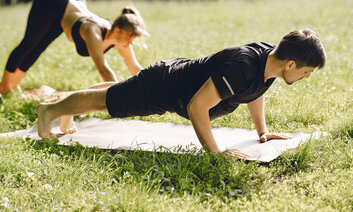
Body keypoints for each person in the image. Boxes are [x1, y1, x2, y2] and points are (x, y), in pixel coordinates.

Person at [37, 29, 326, 159]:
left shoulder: (269, 63)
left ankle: (67, 106)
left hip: (171, 77)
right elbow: (197, 108)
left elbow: (254, 92)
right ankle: (50, 111)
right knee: (106, 103)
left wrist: (263, 131)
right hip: (164, 87)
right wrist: (216, 153)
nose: (306, 77)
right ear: (291, 63)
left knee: (115, 93)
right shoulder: (243, 66)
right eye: (306, 71)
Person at [0, 0, 149, 95]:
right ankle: (5, 86)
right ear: (118, 30)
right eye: (130, 38)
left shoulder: (121, 40)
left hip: (72, 3)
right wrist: (119, 96)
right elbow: (104, 69)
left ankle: (13, 85)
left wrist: (151, 86)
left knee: (39, 47)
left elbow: (135, 67)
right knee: (29, 44)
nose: (130, 43)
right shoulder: (93, 31)